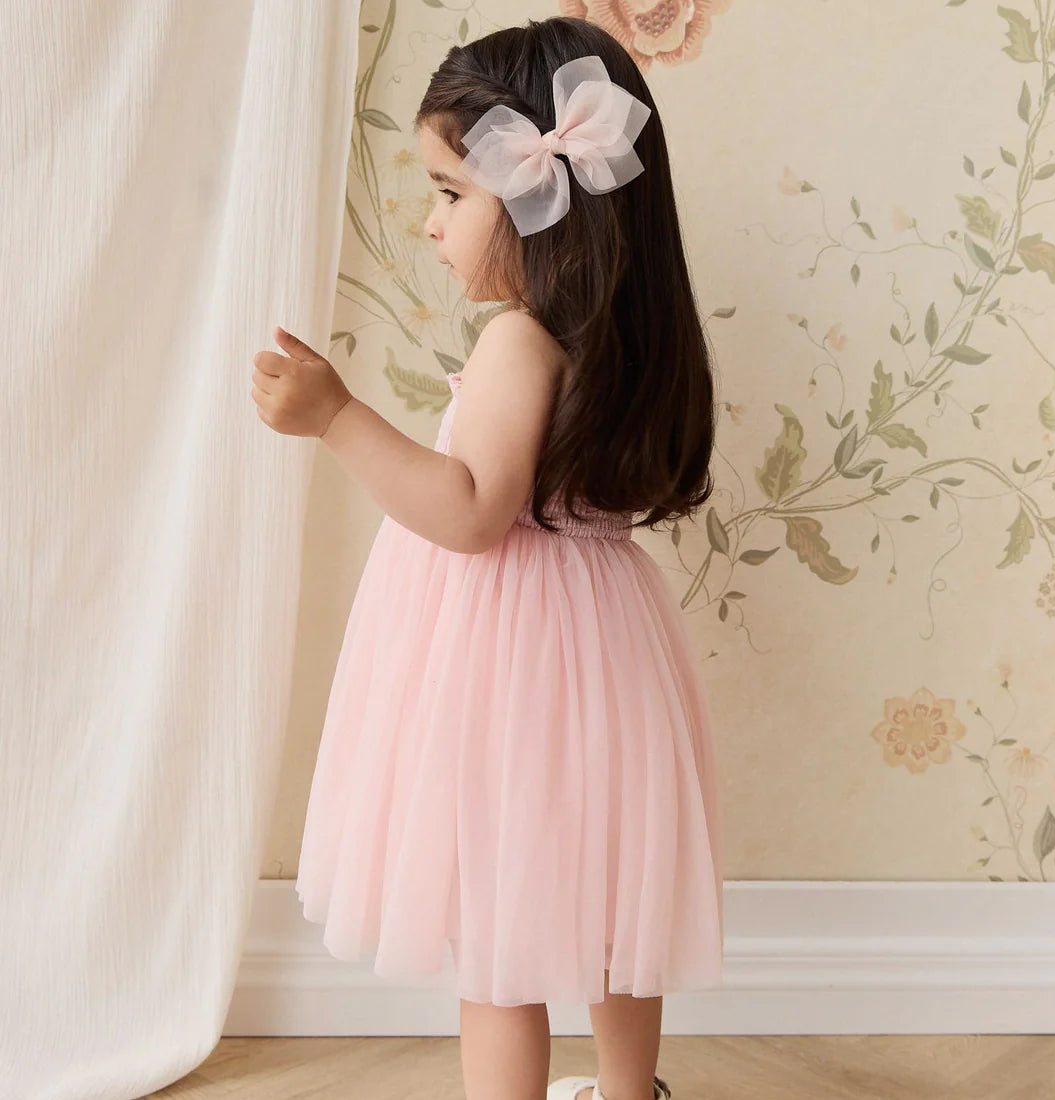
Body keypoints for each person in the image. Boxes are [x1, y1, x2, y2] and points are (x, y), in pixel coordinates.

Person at [292, 16, 724, 1100]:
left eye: (450, 192)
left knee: (498, 918)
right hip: (605, 641)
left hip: (510, 659)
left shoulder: (516, 342)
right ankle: (628, 1089)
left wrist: (336, 416)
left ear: (538, 199)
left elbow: (471, 512)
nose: (431, 223)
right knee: (612, 900)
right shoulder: (626, 340)